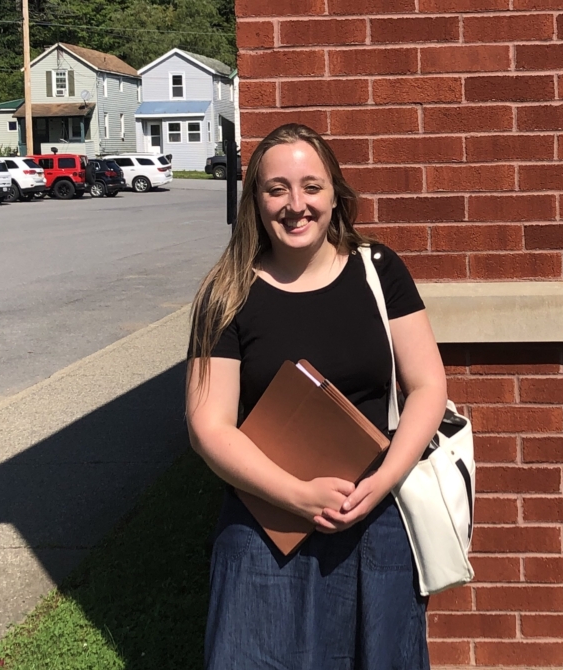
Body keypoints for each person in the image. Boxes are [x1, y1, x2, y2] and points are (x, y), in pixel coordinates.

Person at [185, 123, 447, 669]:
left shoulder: (379, 270)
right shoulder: (227, 291)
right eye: (276, 189)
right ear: (255, 200)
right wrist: (297, 495)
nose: (295, 205)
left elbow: (427, 387)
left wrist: (382, 482)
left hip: (377, 515)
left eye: (311, 186)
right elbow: (208, 425)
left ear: (335, 195)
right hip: (264, 528)